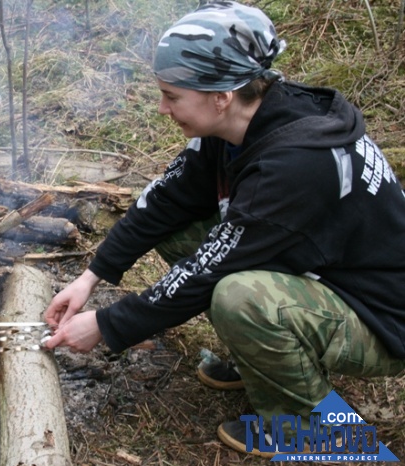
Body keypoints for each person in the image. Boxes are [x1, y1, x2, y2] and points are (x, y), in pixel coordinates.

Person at [42, 0, 405, 458]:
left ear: (221, 95)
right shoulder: (237, 126)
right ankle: (267, 364)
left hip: (381, 317)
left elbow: (210, 271)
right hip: (324, 271)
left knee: (241, 298)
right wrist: (91, 276)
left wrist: (109, 326)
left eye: (172, 96)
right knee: (182, 228)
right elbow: (167, 200)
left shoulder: (296, 166)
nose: (161, 109)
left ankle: (317, 431)